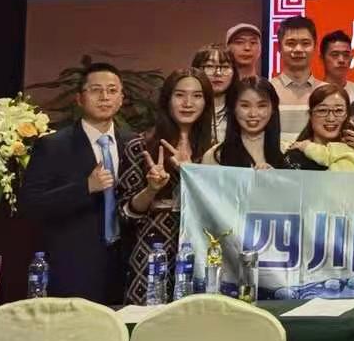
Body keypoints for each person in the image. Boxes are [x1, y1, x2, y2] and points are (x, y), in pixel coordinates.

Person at [20, 62, 135, 304]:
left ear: (121, 99)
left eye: (112, 90)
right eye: (95, 90)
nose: (104, 97)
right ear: (79, 99)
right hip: (75, 265)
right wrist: (85, 188)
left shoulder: (134, 143)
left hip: (126, 264)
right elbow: (31, 204)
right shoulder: (53, 146)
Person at [119, 68, 212, 304]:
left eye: (197, 96)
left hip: (201, 250)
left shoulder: (216, 150)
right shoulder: (140, 146)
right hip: (152, 252)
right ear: (167, 99)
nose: (188, 103)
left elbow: (222, 207)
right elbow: (125, 214)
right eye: (180, 95)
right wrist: (151, 189)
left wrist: (191, 171)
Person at [285, 84, 354, 172]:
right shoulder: (296, 155)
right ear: (311, 115)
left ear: (347, 115)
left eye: (338, 110)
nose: (331, 118)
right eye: (322, 110)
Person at [204, 76, 288, 169]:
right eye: (245, 106)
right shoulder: (215, 156)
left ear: (273, 109)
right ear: (234, 108)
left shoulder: (286, 152)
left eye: (262, 106)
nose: (253, 114)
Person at [271, 16, 323, 141]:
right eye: (291, 43)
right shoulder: (267, 90)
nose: (298, 49)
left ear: (315, 47)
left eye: (305, 43)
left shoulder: (326, 92)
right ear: (279, 48)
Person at [191, 43, 235, 145]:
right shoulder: (186, 107)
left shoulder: (240, 109)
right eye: (209, 66)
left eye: (225, 67)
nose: (218, 73)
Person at [320, 30, 354, 103]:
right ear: (322, 58)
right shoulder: (312, 92)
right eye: (335, 55)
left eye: (346, 55)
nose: (341, 60)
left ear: (351, 58)